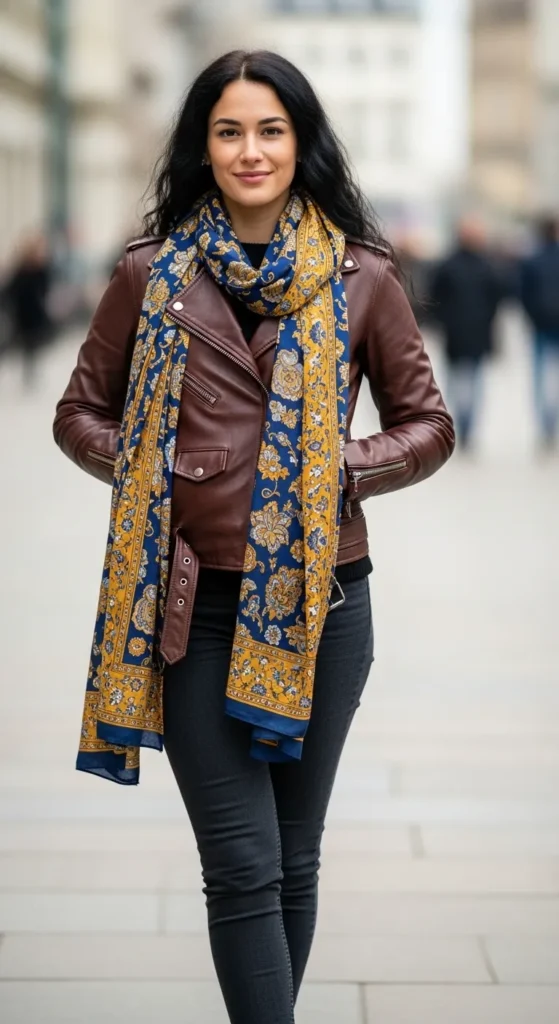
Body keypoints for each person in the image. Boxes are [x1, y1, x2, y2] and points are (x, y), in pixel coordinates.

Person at [53, 50, 454, 1024]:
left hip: (325, 604)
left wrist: (338, 466)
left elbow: (429, 424)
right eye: (228, 130)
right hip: (191, 605)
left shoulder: (361, 275)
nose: (250, 150)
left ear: (299, 142)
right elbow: (78, 413)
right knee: (241, 862)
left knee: (293, 856)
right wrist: (151, 464)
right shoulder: (148, 273)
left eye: (270, 129)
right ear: (203, 146)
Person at [430, 215, 504, 450]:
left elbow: (434, 298)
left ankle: (461, 424)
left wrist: (442, 322)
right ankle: (466, 426)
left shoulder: (448, 265)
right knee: (472, 381)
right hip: (475, 333)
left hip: (456, 334)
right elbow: (496, 300)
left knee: (458, 381)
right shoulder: (486, 266)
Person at [520, 216, 559, 450]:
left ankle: (546, 426)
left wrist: (533, 316)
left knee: (542, 379)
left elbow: (523, 294)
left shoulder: (532, 260)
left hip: (541, 326)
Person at [4, 233, 53, 386]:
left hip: (36, 313)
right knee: (27, 345)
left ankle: (32, 370)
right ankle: (28, 371)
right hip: (24, 314)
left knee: (33, 345)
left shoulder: (42, 270)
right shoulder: (21, 271)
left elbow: (45, 289)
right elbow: (11, 291)